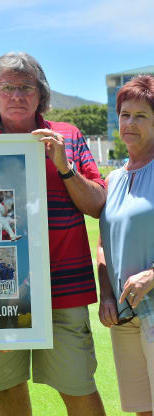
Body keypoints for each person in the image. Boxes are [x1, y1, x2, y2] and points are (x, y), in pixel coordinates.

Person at [0, 52, 107, 416]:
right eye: (8, 87)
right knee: (7, 386)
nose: (16, 95)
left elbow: (97, 205)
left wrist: (65, 168)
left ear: (40, 93)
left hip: (64, 287)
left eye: (26, 87)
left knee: (78, 386)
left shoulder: (69, 137)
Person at [98, 75, 154, 416]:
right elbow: (103, 243)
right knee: (142, 409)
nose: (130, 123)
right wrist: (106, 293)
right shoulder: (113, 179)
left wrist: (151, 276)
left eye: (142, 115)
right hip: (123, 314)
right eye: (125, 114)